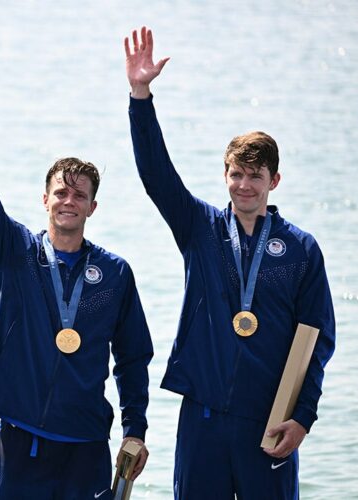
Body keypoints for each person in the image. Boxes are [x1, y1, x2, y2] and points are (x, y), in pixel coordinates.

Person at [125, 26, 336, 499]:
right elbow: (156, 174)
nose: (244, 185)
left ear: (274, 180)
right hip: (203, 416)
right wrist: (141, 96)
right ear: (224, 174)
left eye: (255, 176)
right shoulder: (199, 228)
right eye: (236, 174)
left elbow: (317, 340)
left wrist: (303, 416)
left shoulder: (301, 248)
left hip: (270, 419)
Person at [0, 88, 153, 499]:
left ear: (92, 207)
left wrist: (135, 430)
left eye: (79, 195)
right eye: (61, 192)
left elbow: (132, 357)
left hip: (85, 442)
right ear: (45, 200)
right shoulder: (15, 252)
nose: (68, 201)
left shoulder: (114, 273)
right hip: (22, 438)